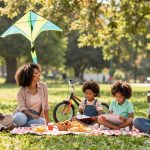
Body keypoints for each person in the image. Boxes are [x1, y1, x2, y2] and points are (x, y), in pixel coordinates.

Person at [13, 63, 49, 127]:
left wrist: (48, 124)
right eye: (36, 73)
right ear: (29, 76)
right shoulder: (21, 91)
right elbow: (22, 108)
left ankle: (20, 126)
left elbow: (46, 107)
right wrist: (33, 115)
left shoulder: (43, 86)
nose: (39, 75)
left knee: (42, 122)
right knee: (21, 119)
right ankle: (16, 122)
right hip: (22, 114)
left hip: (34, 117)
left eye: (38, 72)